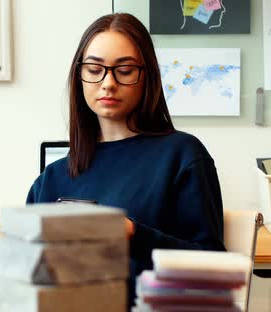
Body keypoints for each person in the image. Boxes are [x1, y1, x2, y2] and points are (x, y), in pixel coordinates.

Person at [26, 13, 225, 308]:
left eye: (125, 70)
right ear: (80, 75)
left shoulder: (182, 155)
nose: (107, 83)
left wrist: (131, 233)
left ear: (147, 76)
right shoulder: (52, 178)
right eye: (94, 69)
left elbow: (214, 272)